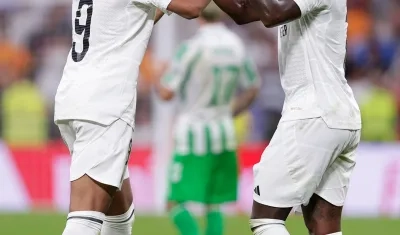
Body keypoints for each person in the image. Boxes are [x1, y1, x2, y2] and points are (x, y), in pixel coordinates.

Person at [54, 0, 215, 234]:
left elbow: (129, 19)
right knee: (85, 217)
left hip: (73, 98)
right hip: (105, 105)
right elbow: (192, 7)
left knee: (120, 214)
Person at [212, 0, 362, 234]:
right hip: (338, 115)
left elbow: (272, 13)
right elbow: (243, 13)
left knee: (266, 219)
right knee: (324, 227)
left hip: (313, 113)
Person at [154, 2, 259, 234]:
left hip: (194, 133)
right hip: (224, 132)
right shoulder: (236, 45)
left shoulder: (192, 47)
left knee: (174, 201)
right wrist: (228, 113)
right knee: (214, 202)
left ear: (199, 14)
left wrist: (156, 76)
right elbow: (253, 87)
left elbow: (166, 93)